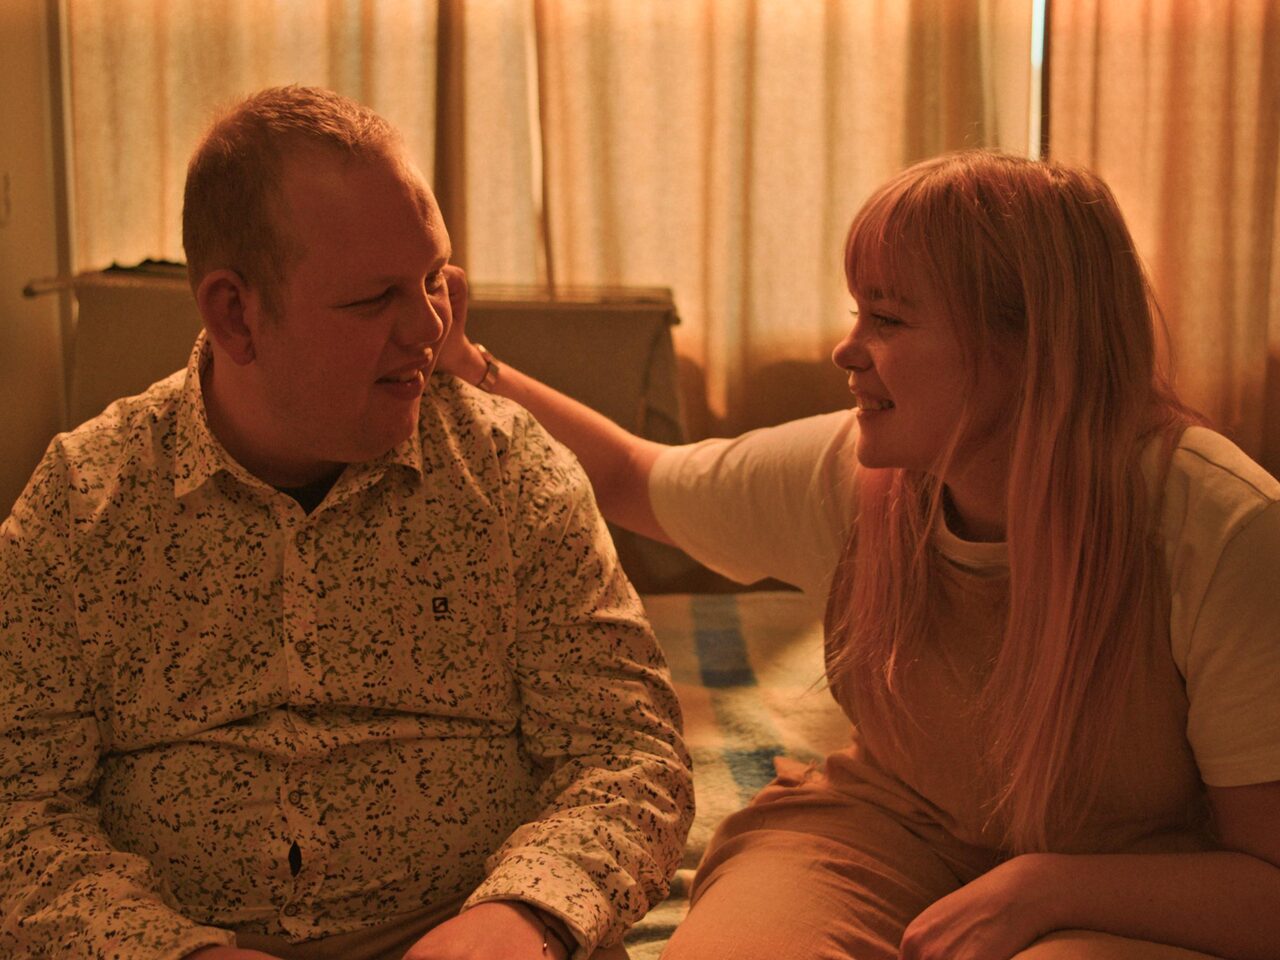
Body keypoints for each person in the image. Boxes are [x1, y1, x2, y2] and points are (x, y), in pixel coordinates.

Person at [437, 150, 1280, 959]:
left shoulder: (1224, 532)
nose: (847, 350)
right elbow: (633, 475)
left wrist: (1045, 889)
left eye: (889, 318)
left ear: (1031, 347)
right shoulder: (857, 473)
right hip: (890, 826)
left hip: (1134, 875)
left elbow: (1267, 885)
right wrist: (465, 363)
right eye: (856, 313)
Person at [0, 86, 693, 960]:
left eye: (434, 279)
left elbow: (629, 752)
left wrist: (527, 916)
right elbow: (17, 806)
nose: (431, 326)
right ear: (235, 313)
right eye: (374, 300)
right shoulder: (81, 507)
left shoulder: (510, 474)